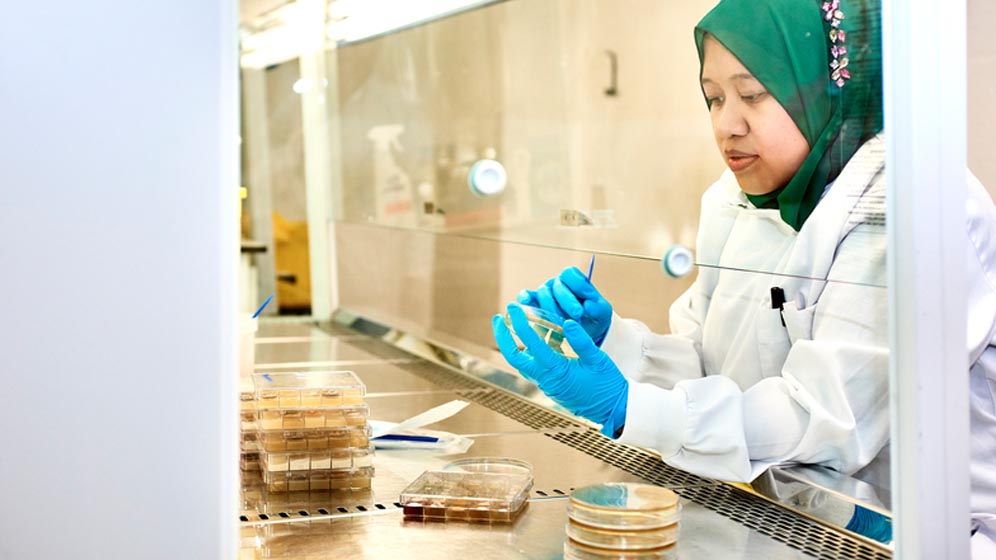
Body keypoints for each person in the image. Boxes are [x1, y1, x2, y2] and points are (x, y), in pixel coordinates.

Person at [492, 0, 996, 551]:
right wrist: (615, 344)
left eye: (752, 94)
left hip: (913, 536)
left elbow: (823, 418)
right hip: (789, 515)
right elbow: (711, 366)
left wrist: (628, 407)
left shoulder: (910, 202)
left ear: (823, 87)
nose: (725, 124)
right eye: (713, 97)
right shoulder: (736, 201)